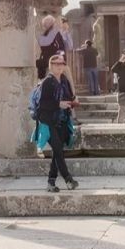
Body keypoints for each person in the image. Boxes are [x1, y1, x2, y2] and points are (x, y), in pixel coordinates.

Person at [32, 53, 79, 192]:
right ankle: (68, 179)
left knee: (57, 152)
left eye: (62, 63)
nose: (60, 66)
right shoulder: (47, 82)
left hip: (62, 120)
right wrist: (58, 104)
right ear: (51, 66)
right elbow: (42, 104)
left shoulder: (64, 80)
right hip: (48, 121)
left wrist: (72, 101)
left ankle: (51, 182)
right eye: (57, 64)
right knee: (58, 149)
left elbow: (68, 96)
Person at [36, 15, 66, 79]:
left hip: (44, 62)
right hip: (55, 62)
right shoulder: (56, 34)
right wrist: (62, 58)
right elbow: (61, 49)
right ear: (53, 24)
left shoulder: (42, 36)